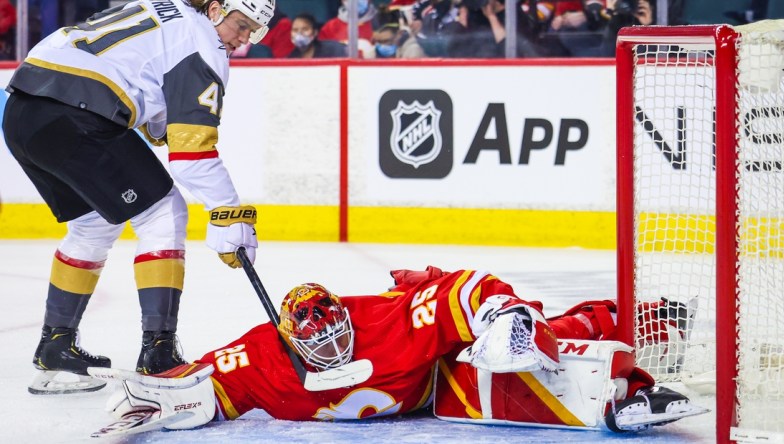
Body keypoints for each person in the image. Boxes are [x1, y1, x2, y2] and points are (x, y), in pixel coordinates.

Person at [2, 0, 271, 395]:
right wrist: (228, 212)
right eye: (240, 25)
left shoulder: (168, 9)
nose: (244, 40)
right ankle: (159, 355)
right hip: (76, 115)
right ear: (215, 10)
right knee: (165, 212)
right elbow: (192, 156)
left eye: (254, 32)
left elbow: (148, 94)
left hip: (23, 112)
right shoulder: (203, 44)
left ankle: (55, 347)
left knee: (93, 222)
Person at [98, 266, 707, 434]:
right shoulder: (260, 358)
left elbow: (469, 287)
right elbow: (203, 379)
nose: (332, 343)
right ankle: (625, 383)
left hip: (430, 366)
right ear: (289, 340)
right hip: (425, 399)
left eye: (336, 328)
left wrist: (503, 314)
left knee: (541, 343)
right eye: (313, 337)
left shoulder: (391, 319)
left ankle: (651, 328)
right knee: (491, 395)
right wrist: (167, 396)